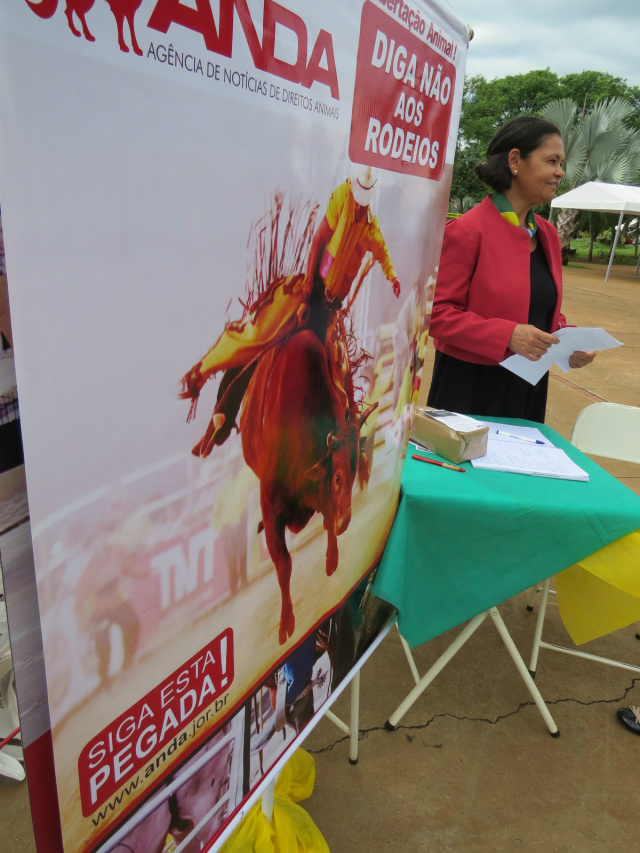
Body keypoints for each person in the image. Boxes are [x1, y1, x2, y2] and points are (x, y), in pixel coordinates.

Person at [181, 165, 401, 455]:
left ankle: (341, 447)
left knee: (338, 376)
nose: (360, 205)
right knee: (261, 335)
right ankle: (217, 414)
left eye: (364, 201)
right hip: (311, 290)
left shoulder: (371, 227)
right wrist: (309, 280)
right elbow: (319, 239)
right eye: (359, 198)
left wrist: (392, 276)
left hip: (330, 309)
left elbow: (382, 252)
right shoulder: (341, 198)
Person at [427, 116, 595, 422]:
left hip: (529, 382)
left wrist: (570, 340)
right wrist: (507, 335)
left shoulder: (547, 234)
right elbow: (435, 314)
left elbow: (541, 310)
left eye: (561, 163)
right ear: (515, 161)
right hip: (470, 385)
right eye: (552, 161)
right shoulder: (467, 231)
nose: (560, 172)